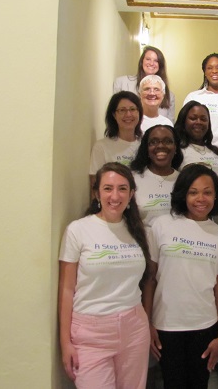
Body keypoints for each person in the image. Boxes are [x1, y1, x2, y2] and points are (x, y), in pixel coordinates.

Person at [58, 162, 154, 389]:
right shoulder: (78, 230)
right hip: (90, 334)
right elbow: (66, 289)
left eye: (122, 189)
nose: (115, 195)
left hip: (134, 329)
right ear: (97, 192)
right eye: (108, 188)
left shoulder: (140, 231)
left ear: (131, 194)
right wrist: (65, 343)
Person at [144, 164, 218, 389]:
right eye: (193, 192)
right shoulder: (162, 226)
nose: (200, 198)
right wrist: (148, 323)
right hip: (166, 325)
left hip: (204, 326)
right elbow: (150, 279)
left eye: (207, 192)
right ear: (183, 194)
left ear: (216, 196)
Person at [130, 125, 183, 230]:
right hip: (141, 242)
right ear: (147, 149)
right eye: (153, 142)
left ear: (175, 147)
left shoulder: (184, 181)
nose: (160, 146)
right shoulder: (133, 179)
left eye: (168, 141)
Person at [89, 91, 143, 192]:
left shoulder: (145, 145)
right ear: (114, 114)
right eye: (122, 110)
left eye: (132, 109)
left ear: (139, 112)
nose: (128, 114)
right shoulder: (101, 146)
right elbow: (95, 187)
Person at [113, 46, 176, 122]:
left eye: (156, 61)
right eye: (148, 59)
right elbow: (114, 116)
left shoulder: (169, 96)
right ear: (142, 61)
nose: (151, 63)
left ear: (160, 65)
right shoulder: (121, 83)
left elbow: (170, 125)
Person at [175, 100, 218, 172]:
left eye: (203, 119)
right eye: (193, 118)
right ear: (183, 122)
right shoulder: (177, 152)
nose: (198, 122)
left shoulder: (215, 151)